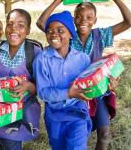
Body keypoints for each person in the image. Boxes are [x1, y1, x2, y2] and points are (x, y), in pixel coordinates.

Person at [36, 0, 131, 149]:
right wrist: (57, 0)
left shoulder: (100, 35)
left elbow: (130, 21)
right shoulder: (66, 35)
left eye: (89, 17)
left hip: (96, 91)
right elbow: (43, 23)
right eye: (79, 17)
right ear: (74, 19)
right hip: (72, 95)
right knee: (78, 133)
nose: (84, 21)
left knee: (104, 134)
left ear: (95, 20)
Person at [0, 9, 42, 150]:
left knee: (12, 142)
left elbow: (42, 88)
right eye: (10, 24)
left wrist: (28, 86)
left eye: (20, 25)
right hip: (1, 109)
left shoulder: (34, 51)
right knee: (6, 141)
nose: (13, 29)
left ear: (28, 30)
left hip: (24, 110)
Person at [35, 11, 92, 150]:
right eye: (49, 31)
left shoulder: (83, 59)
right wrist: (68, 93)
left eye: (60, 30)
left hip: (78, 113)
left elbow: (91, 85)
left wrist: (108, 86)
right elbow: (43, 93)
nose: (54, 34)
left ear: (71, 34)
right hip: (55, 116)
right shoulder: (42, 60)